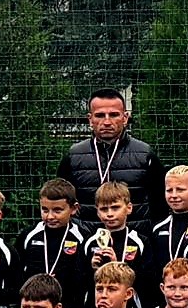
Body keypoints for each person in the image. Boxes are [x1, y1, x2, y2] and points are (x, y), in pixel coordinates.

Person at [57, 88, 161, 223]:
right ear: (90, 119)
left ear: (125, 118)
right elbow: (61, 202)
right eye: (100, 115)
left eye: (113, 115)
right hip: (86, 234)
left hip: (135, 234)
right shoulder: (74, 156)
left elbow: (159, 203)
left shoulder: (145, 155)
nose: (107, 122)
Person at [21, 178, 95, 308]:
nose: (50, 216)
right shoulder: (29, 235)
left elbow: (86, 278)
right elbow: (18, 273)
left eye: (57, 210)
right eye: (45, 210)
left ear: (73, 209)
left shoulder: (83, 238)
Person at [136, 166, 188, 308]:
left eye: (180, 190)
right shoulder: (158, 229)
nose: (174, 195)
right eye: (169, 190)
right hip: (164, 302)